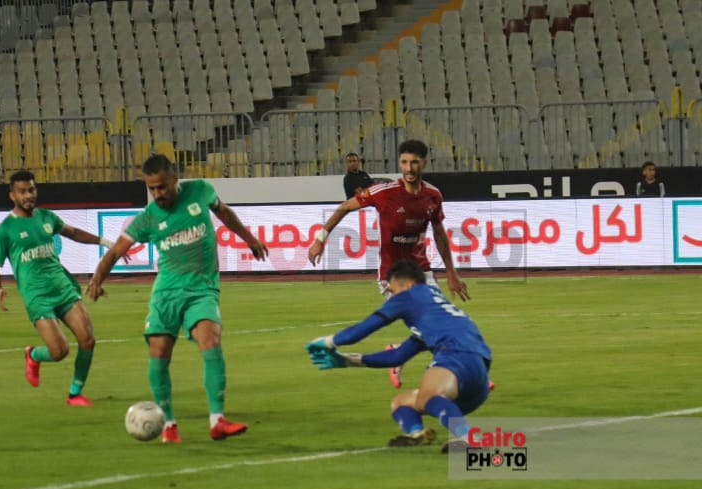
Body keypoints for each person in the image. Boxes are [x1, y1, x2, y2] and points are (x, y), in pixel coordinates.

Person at [86, 154, 269, 444]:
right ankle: (169, 425)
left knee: (211, 340)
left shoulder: (200, 190)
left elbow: (224, 214)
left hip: (202, 289)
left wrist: (249, 239)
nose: (157, 194)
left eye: (162, 186)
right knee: (159, 352)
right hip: (166, 292)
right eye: (152, 189)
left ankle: (217, 420)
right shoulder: (147, 218)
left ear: (174, 179)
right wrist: (97, 279)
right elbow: (116, 251)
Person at [309, 139, 470, 389]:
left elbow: (439, 233)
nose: (409, 168)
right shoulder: (383, 192)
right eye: (404, 162)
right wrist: (320, 239)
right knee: (430, 326)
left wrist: (451, 273)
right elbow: (345, 207)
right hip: (392, 275)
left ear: (424, 164)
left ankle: (441, 368)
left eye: (414, 162)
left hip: (422, 270)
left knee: (439, 322)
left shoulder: (433, 195)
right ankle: (454, 371)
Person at [305, 259, 492, 453]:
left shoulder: (409, 296)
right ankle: (416, 434)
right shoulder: (433, 308)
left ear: (408, 284)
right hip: (478, 379)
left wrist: (328, 341)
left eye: (393, 291)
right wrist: (348, 360)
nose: (392, 297)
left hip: (455, 357)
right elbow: (397, 356)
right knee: (401, 402)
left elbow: (362, 330)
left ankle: (467, 438)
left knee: (428, 396)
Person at [0, 170, 123, 406]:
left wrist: (104, 242)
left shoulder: (46, 217)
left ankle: (75, 394)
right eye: (22, 192)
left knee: (88, 340)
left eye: (31, 190)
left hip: (63, 288)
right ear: (12, 196)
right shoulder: (5, 230)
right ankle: (33, 354)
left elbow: (73, 233)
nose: (28, 195)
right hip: (37, 297)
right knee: (59, 352)